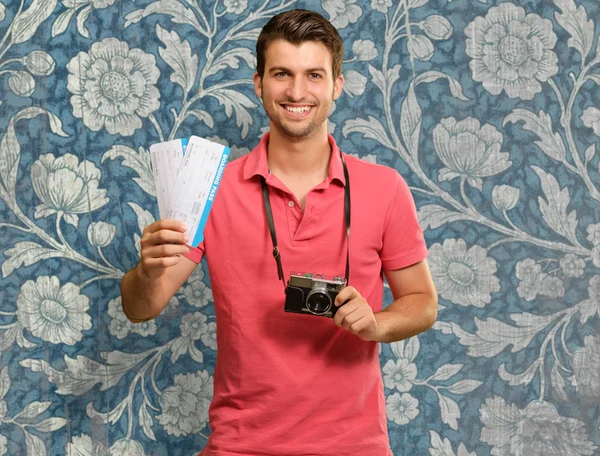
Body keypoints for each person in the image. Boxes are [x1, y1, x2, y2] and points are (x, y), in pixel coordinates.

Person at [120, 9, 438, 456]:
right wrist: (147, 272)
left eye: (314, 75)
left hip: (355, 446)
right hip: (241, 445)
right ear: (259, 84)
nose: (297, 91)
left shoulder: (385, 189)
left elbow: (423, 303)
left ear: (336, 87)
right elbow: (141, 308)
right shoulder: (213, 188)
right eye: (281, 74)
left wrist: (376, 325)